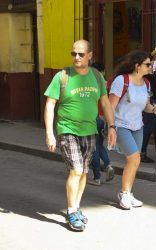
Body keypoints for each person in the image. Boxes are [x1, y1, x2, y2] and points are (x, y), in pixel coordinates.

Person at [44, 40, 116, 231]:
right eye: (73, 53)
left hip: (90, 130)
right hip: (67, 130)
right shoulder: (62, 76)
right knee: (76, 170)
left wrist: (112, 127)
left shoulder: (97, 77)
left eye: (81, 54)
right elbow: (50, 104)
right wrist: (50, 133)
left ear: (90, 55)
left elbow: (106, 103)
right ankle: (71, 211)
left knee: (84, 171)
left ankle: (76, 207)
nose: (76, 57)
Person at [109, 50, 156, 209]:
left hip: (137, 126)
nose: (150, 67)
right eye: (147, 64)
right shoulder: (122, 80)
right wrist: (111, 127)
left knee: (133, 161)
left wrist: (154, 109)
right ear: (137, 66)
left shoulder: (146, 83)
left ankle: (127, 192)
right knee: (134, 158)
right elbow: (110, 107)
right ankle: (124, 194)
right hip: (121, 125)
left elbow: (146, 106)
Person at [88, 62, 114, 186]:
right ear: (102, 71)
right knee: (99, 145)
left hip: (93, 118)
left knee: (94, 149)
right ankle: (108, 165)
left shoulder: (89, 83)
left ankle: (97, 177)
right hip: (103, 119)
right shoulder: (105, 84)